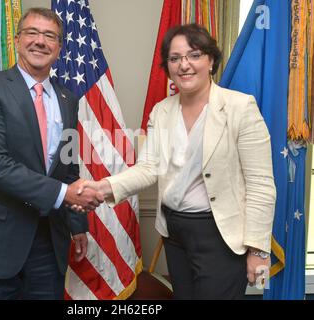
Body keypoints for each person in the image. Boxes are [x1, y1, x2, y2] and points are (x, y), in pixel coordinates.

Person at [76, 24, 276, 300]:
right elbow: (148, 168)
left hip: (220, 237)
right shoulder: (162, 111)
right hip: (175, 234)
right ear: (168, 66)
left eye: (194, 55)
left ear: (211, 60)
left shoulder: (241, 108)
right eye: (174, 58)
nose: (184, 65)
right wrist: (99, 188)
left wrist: (258, 251)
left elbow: (261, 185)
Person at [0, 8, 103, 300]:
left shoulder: (67, 100)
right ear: (17, 40)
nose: (40, 41)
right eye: (32, 33)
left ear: (59, 48)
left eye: (50, 36)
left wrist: (77, 224)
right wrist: (65, 194)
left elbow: (68, 169)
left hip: (49, 241)